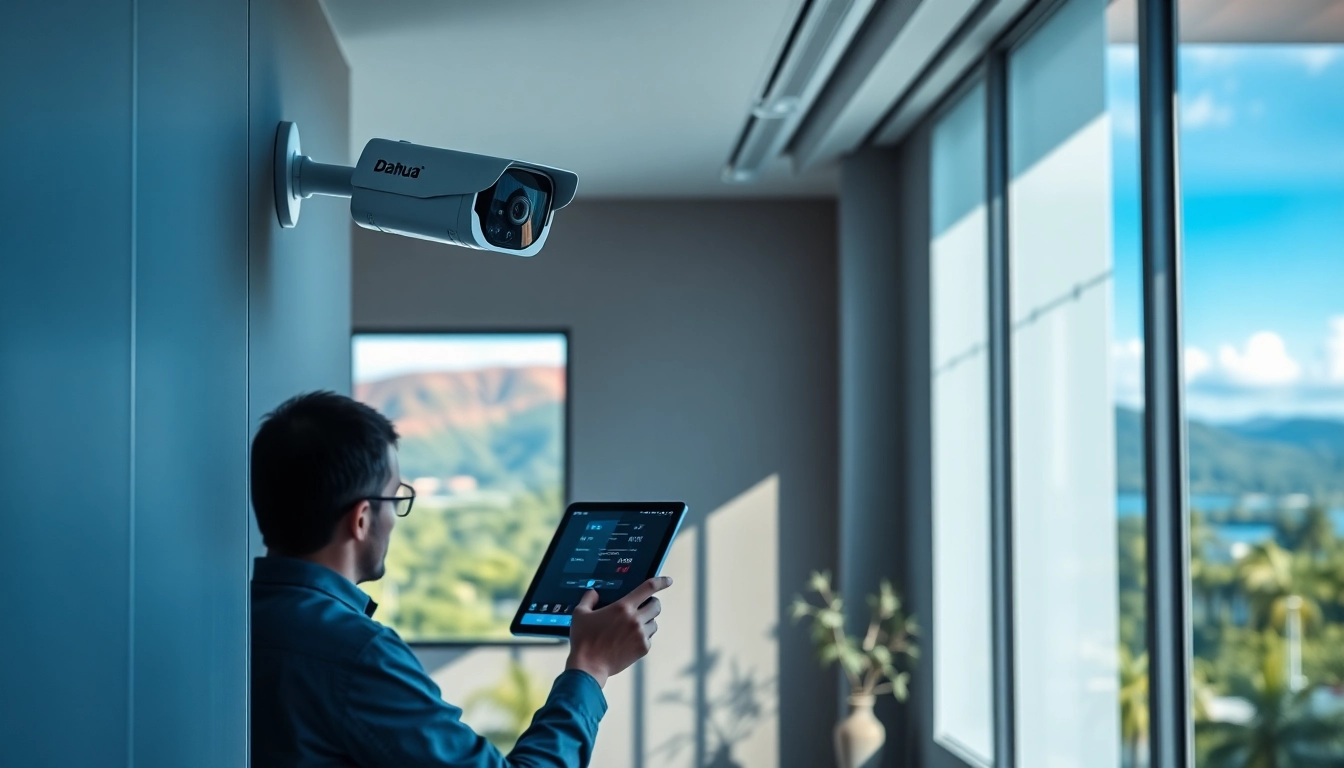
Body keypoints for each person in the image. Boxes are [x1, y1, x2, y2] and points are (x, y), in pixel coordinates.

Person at [250, 391, 671, 768]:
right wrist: (590, 666)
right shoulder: (356, 655)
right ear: (361, 519)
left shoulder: (236, 624)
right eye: (395, 499)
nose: (395, 519)